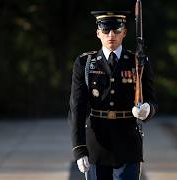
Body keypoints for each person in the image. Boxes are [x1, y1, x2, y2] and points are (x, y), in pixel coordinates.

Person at [68, 10, 157, 180]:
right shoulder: (85, 63)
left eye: (116, 31)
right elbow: (77, 109)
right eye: (106, 30)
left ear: (124, 33)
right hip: (97, 144)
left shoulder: (138, 62)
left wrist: (147, 110)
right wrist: (79, 148)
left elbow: (152, 100)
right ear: (98, 33)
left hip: (128, 144)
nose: (111, 35)